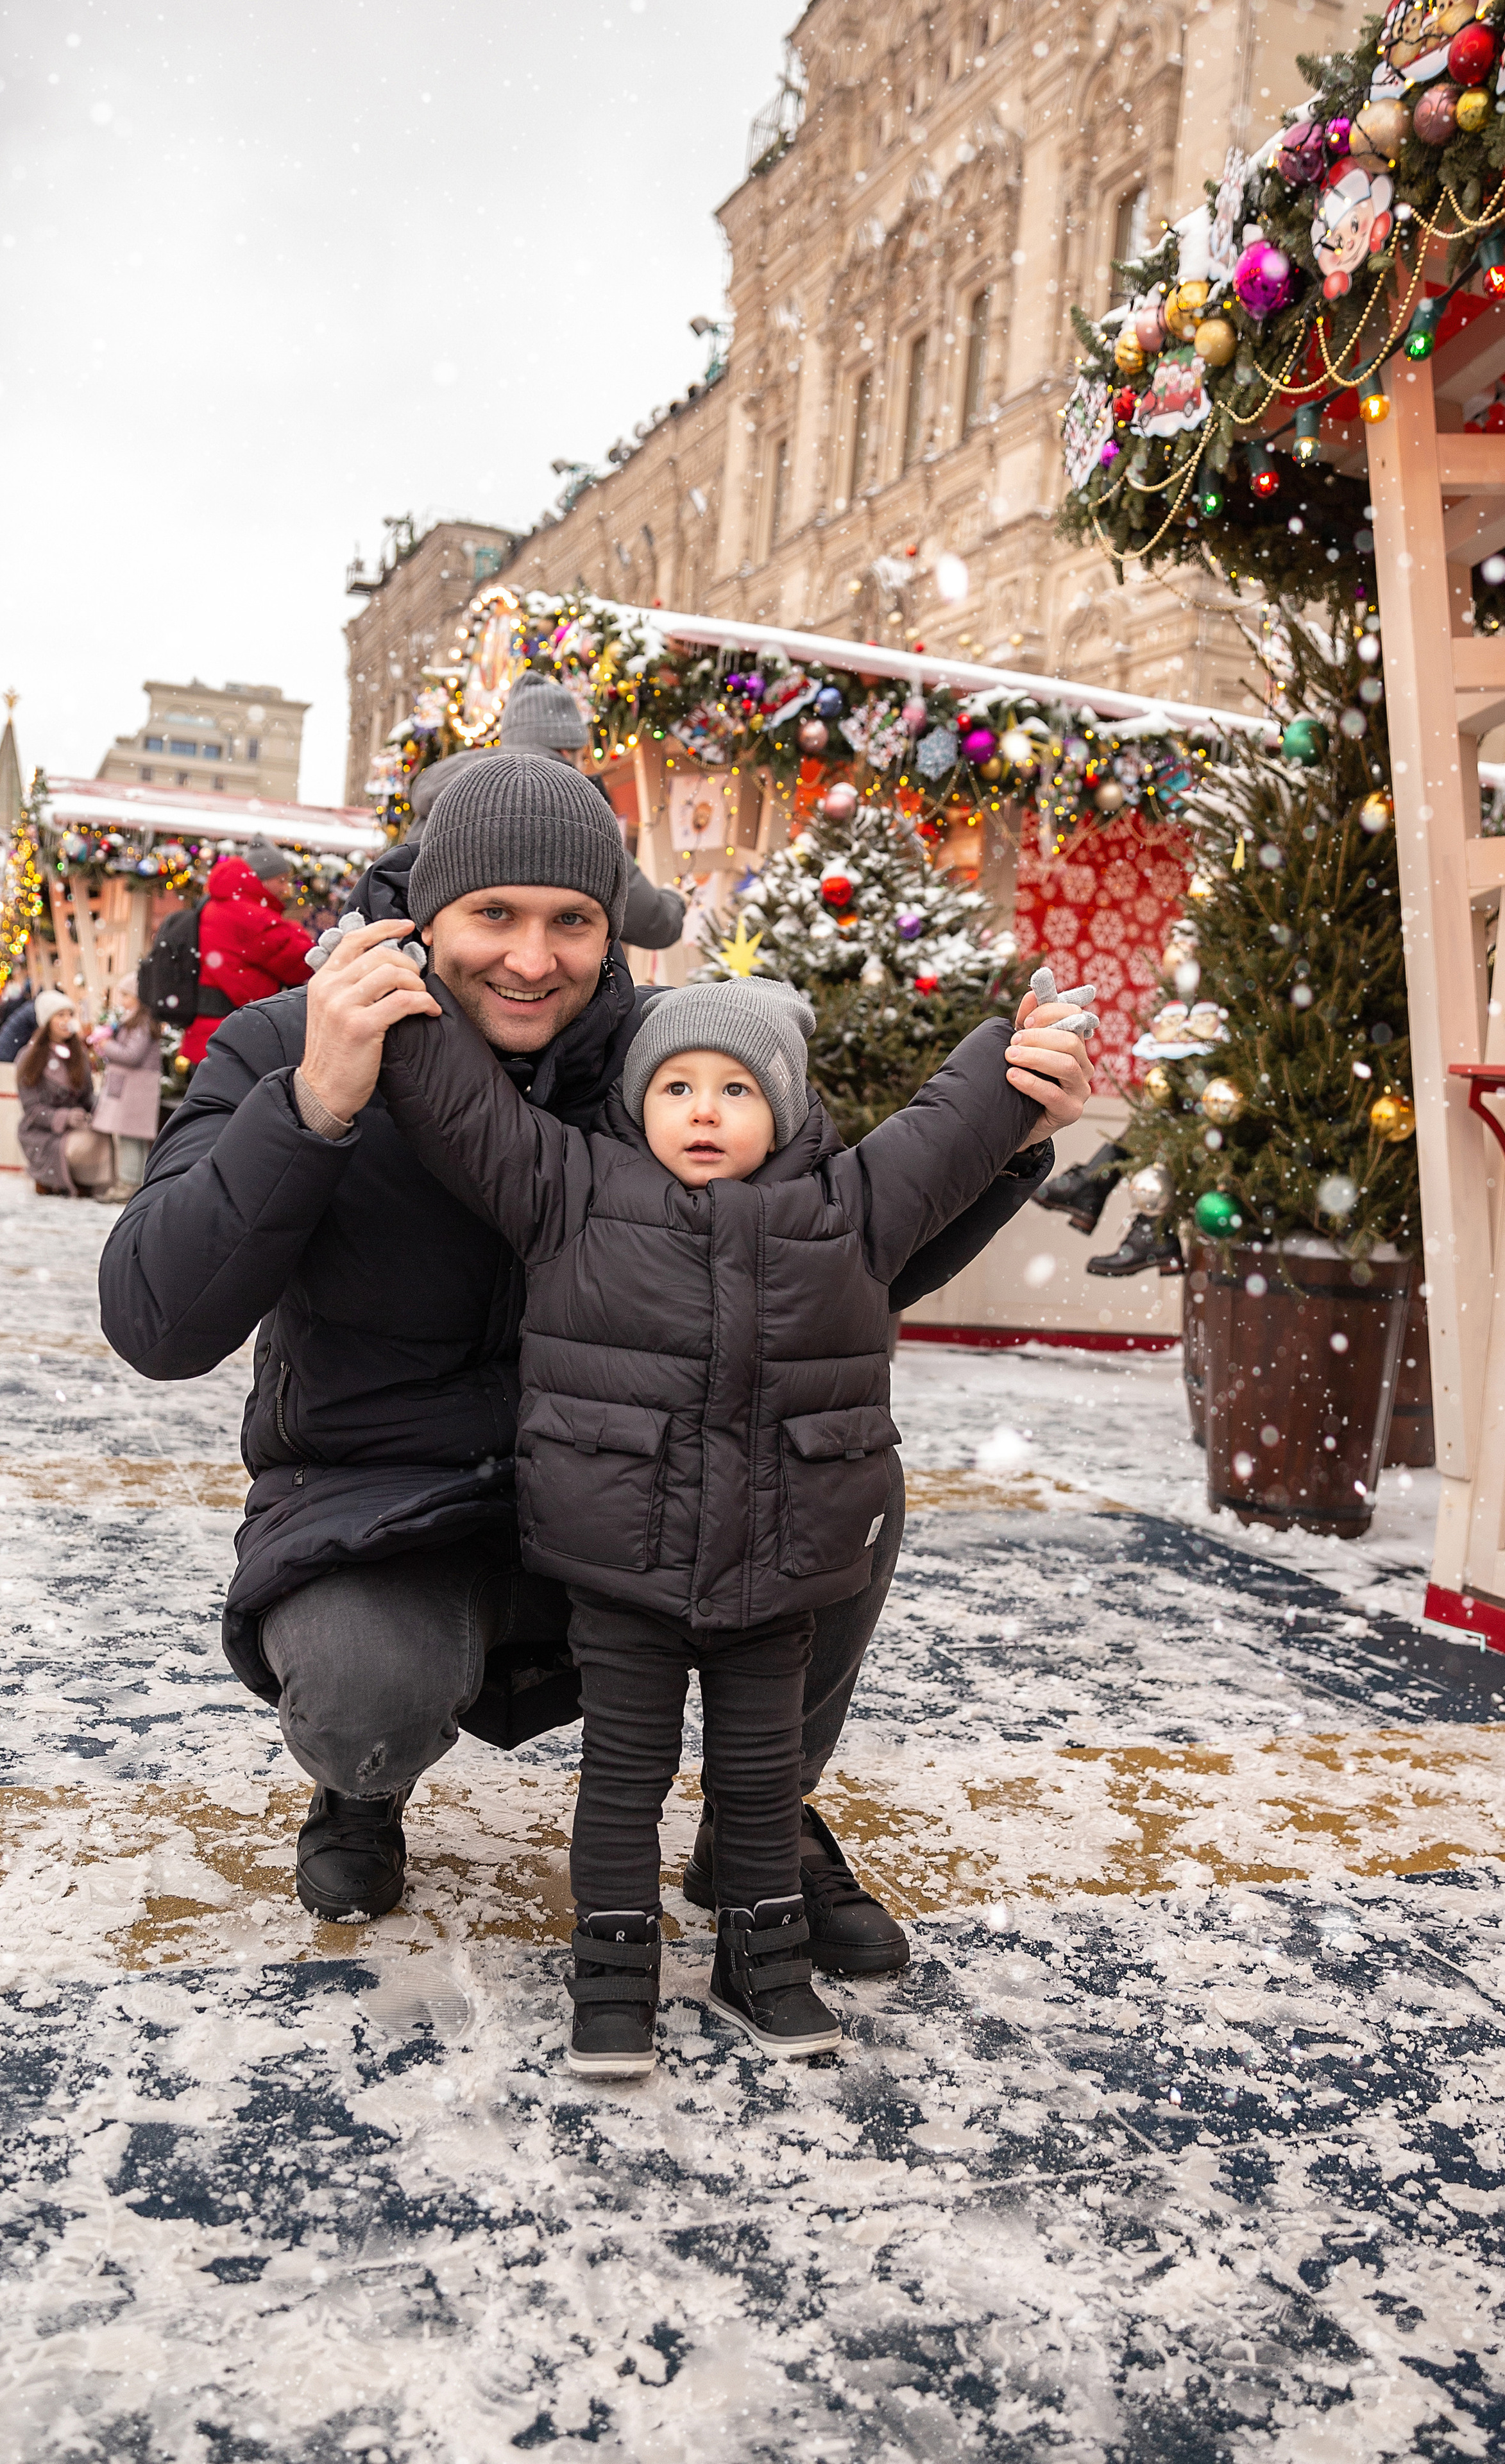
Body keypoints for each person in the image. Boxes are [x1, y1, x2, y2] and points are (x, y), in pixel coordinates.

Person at [98, 755, 1094, 1956]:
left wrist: (1012, 1140)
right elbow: (156, 1322)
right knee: (367, 1696)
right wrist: (313, 1106)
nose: (532, 957)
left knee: (833, 1470)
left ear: (612, 927)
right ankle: (363, 1782)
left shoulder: (672, 1059)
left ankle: (761, 1816)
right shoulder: (289, 1040)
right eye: (494, 917)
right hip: (385, 1497)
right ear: (427, 915)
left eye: (571, 920)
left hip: (634, 1487)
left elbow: (819, 1267)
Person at [378, 941, 1065, 2075]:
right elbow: (465, 1112)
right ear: (636, 1102)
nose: (705, 1111)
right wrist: (392, 1001)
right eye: (677, 1087)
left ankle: (763, 1956)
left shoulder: (850, 1206)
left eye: (737, 1089)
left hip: (780, 1573)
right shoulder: (573, 1190)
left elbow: (947, 1127)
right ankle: (613, 1965)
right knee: (623, 1779)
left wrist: (1015, 1048)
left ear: (785, 1106)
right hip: (624, 1574)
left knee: (759, 1782)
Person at [498, 669, 689, 949]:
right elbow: (652, 922)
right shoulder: (569, 809)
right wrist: (675, 900)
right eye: (581, 755)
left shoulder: (449, 795)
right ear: (566, 751)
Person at [176, 842, 316, 1071]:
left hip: (207, 1038)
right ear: (259, 879)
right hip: (233, 1042)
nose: (286, 889)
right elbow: (302, 960)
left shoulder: (220, 904)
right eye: (280, 880)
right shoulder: (249, 914)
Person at [16, 991, 128, 1199]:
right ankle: (56, 1178)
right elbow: (32, 1109)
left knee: (101, 1135)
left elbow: (87, 1098)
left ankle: (90, 1182)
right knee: (85, 1143)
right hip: (43, 1133)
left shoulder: (79, 1055)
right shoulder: (29, 1057)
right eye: (60, 1016)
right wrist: (65, 1118)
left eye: (70, 1015)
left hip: (76, 1127)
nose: (67, 1021)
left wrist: (100, 1108)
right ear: (47, 1021)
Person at [90, 974, 162, 1192]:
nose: (121, 1000)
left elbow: (133, 1055)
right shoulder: (137, 1020)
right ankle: (136, 1184)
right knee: (133, 1137)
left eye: (126, 995)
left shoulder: (142, 1022)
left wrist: (107, 1045)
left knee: (130, 1137)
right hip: (132, 1089)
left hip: (135, 1091)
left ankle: (129, 1184)